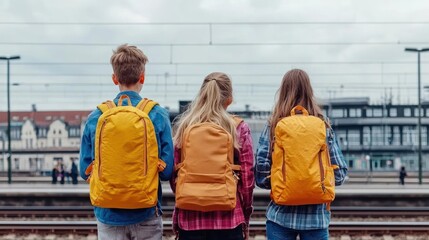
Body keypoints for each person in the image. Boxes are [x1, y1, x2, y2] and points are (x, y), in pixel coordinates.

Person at [79, 44, 174, 240]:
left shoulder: (96, 117)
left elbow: (84, 170)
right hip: (146, 211)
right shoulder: (157, 114)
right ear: (142, 77)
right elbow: (166, 172)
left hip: (108, 213)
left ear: (114, 79)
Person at [255, 69, 348, 240]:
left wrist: (285, 183)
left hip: (279, 217)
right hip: (316, 219)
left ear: (282, 92)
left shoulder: (273, 125)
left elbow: (261, 175)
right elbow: (340, 175)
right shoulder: (323, 125)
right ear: (309, 91)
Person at [170, 72, 255, 240]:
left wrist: (188, 196)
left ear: (202, 94)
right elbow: (247, 179)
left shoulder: (185, 127)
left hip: (189, 219)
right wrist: (245, 212)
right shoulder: (238, 128)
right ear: (229, 100)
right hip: (229, 219)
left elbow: (175, 175)